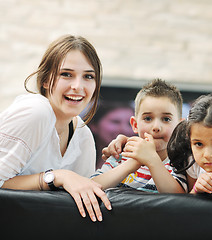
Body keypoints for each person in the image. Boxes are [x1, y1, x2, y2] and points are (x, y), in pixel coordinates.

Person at [0, 35, 111, 222]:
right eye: (66, 74)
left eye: (88, 76)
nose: (78, 86)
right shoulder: (36, 111)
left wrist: (129, 162)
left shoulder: (83, 135)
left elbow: (84, 197)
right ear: (45, 80)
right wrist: (56, 177)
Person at [92, 79, 187, 193]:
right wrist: (134, 162)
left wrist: (152, 160)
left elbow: (178, 199)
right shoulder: (121, 155)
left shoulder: (181, 162)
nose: (156, 127)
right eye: (148, 118)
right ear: (135, 124)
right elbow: (91, 186)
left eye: (166, 119)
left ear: (180, 126)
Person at [88, 101, 135, 169]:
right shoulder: (77, 156)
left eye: (129, 124)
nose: (124, 129)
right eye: (115, 122)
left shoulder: (140, 164)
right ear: (94, 125)